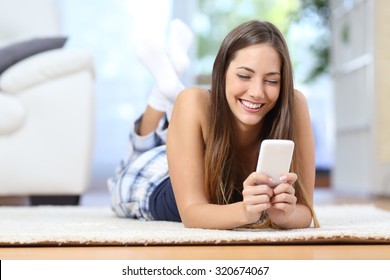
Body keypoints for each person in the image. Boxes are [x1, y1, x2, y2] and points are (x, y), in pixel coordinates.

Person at [108, 19, 320, 230]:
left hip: (197, 152)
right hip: (152, 178)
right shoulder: (193, 100)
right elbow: (191, 213)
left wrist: (285, 215)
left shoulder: (294, 105)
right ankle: (162, 92)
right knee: (128, 167)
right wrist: (246, 212)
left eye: (272, 80)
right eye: (244, 75)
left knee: (180, 120)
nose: (257, 92)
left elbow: (304, 211)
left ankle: (166, 88)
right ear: (222, 72)